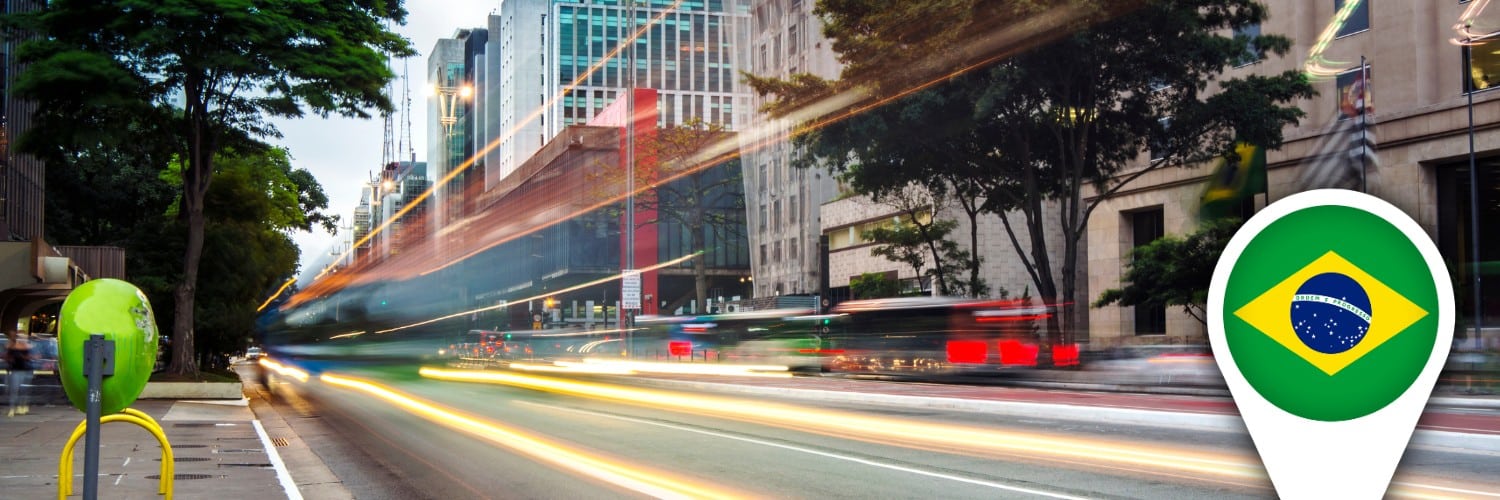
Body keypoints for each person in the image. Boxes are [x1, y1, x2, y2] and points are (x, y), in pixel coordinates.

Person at [6, 332, 35, 417]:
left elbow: (34, 356)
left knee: (24, 390)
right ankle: (12, 408)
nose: (21, 339)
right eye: (20, 337)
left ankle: (22, 406)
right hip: (16, 370)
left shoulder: (28, 347)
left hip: (26, 370)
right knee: (14, 390)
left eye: (23, 337)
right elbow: (8, 356)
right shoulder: (12, 346)